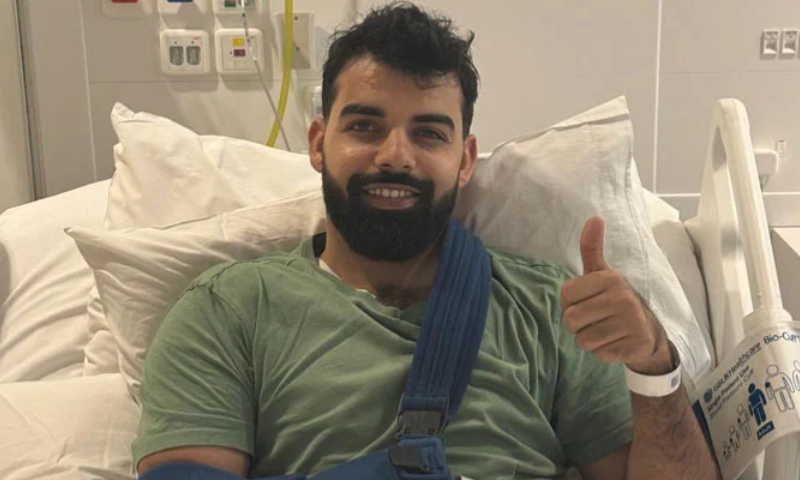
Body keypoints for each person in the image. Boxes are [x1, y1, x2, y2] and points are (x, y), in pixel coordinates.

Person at [133, 3, 720, 479]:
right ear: (317, 143)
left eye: (429, 133)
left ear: (465, 160)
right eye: (364, 126)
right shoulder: (227, 313)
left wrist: (653, 364)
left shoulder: (555, 309)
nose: (395, 155)